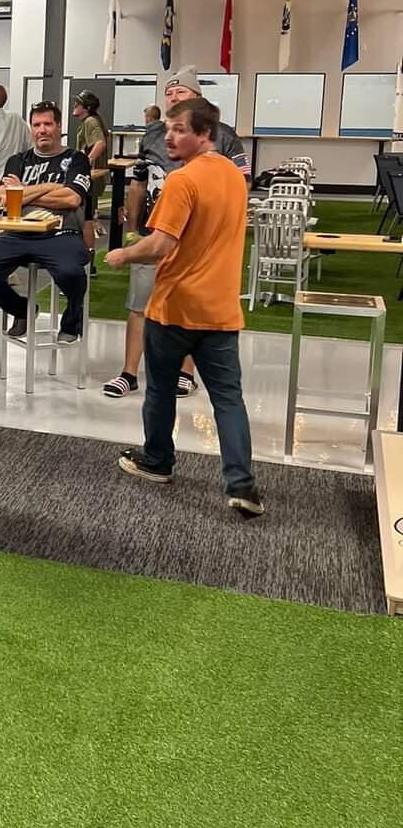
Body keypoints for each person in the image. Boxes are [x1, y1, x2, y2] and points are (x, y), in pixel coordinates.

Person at [105, 98, 261, 518]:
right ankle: (241, 484)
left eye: (179, 129)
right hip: (221, 311)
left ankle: (157, 461)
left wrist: (123, 254)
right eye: (169, 128)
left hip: (174, 308)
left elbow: (161, 244)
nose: (169, 137)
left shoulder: (182, 180)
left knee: (159, 390)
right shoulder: (234, 177)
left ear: (205, 134)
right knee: (228, 399)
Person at [102, 65, 250, 400]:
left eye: (180, 92)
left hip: (198, 239)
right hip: (155, 228)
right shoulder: (154, 135)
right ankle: (129, 372)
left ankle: (185, 373)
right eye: (168, 93)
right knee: (140, 304)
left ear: (197, 98)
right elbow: (139, 181)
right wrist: (132, 228)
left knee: (188, 312)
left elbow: (241, 184)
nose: (173, 97)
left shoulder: (222, 136)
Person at [0, 101, 93, 342]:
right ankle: (22, 310)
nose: (42, 130)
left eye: (48, 124)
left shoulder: (76, 159)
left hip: (61, 233)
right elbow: (6, 199)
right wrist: (52, 187)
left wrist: (24, 190)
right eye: (37, 125)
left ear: (59, 126)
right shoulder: (17, 161)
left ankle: (71, 323)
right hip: (17, 233)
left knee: (71, 273)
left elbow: (71, 198)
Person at [72, 90, 109, 270]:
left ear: (86, 108)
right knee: (87, 218)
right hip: (92, 179)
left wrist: (86, 163)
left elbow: (100, 143)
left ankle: (87, 264)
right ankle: (88, 264)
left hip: (89, 180)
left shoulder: (90, 121)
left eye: (78, 103)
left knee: (85, 220)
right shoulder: (91, 121)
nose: (74, 106)